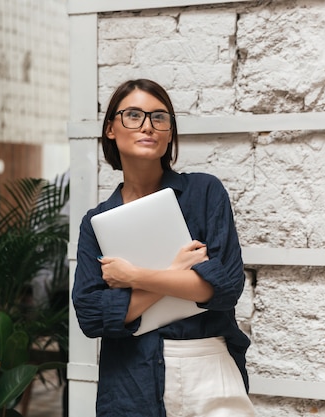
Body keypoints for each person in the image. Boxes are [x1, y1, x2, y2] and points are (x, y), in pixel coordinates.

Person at [72, 79, 255, 417]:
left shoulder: (205, 192)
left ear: (170, 132)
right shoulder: (97, 222)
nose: (148, 126)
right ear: (111, 128)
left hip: (208, 366)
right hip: (130, 379)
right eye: (133, 115)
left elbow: (225, 288)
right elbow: (91, 316)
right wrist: (175, 274)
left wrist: (134, 276)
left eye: (160, 118)